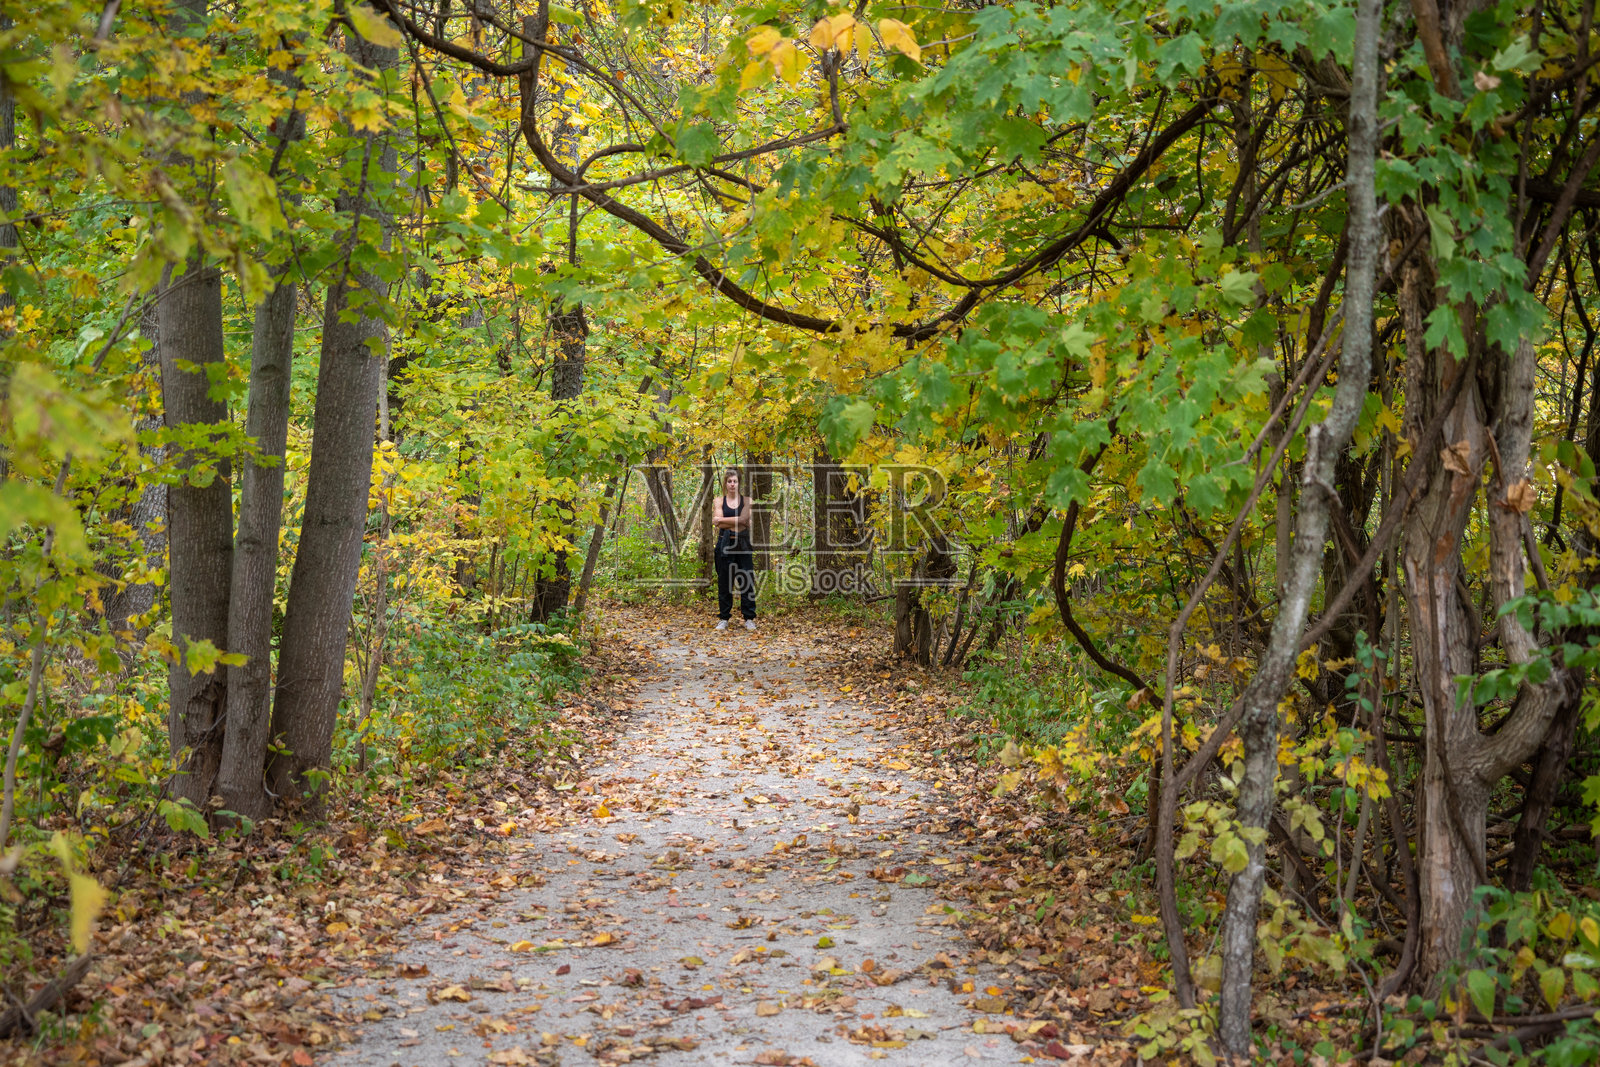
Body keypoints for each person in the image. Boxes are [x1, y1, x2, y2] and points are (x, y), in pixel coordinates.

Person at [712, 468, 757, 631]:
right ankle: (724, 618)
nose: (732, 484)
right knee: (724, 581)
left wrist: (722, 519)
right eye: (729, 481)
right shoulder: (718, 501)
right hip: (725, 543)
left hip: (743, 544)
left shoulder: (747, 500)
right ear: (725, 483)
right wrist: (738, 522)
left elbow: (743, 519)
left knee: (746, 581)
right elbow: (719, 524)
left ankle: (749, 618)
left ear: (739, 483)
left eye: (735, 481)